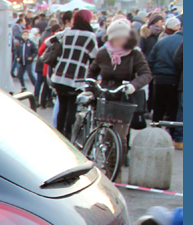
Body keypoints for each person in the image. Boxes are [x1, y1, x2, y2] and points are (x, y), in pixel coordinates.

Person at [87, 19, 153, 149]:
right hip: (105, 96)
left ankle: (116, 165)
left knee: (120, 136)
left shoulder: (135, 54)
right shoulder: (103, 53)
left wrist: (133, 85)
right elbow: (92, 71)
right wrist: (90, 87)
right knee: (103, 134)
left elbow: (146, 74)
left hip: (124, 97)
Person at [44, 9, 98, 136]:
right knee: (72, 107)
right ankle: (68, 135)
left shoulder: (67, 32)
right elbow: (95, 55)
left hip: (60, 75)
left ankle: (59, 133)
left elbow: (48, 42)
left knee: (62, 106)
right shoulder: (90, 36)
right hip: (76, 76)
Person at [148, 17, 183, 148]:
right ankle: (171, 136)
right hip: (175, 79)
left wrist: (153, 75)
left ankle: (153, 134)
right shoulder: (182, 41)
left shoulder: (162, 41)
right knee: (173, 109)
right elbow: (179, 61)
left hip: (159, 78)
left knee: (158, 108)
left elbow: (151, 60)